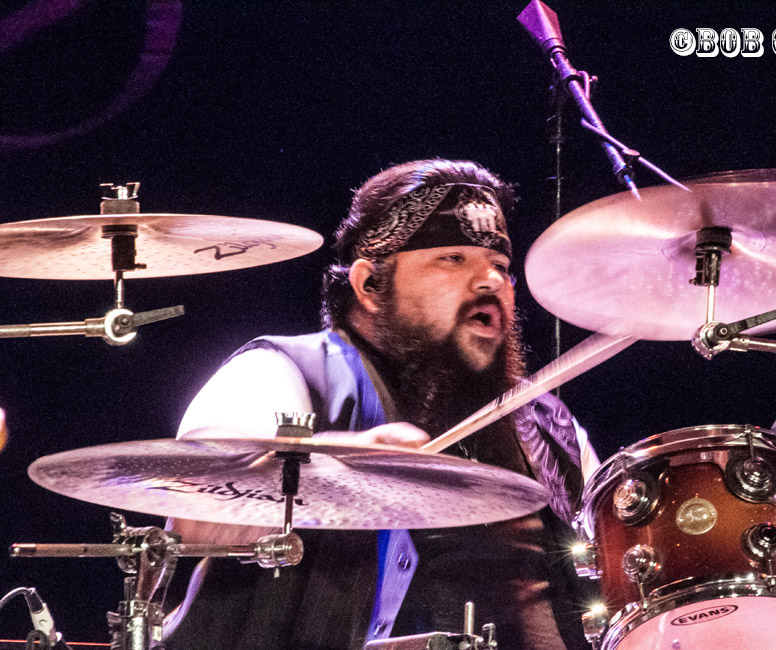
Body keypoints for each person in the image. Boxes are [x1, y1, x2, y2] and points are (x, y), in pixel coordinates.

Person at [163, 159, 601, 650]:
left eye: (500, 266)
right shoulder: (283, 371)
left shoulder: (548, 425)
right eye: (453, 259)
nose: (490, 281)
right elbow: (199, 515)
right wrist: (342, 462)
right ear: (369, 285)